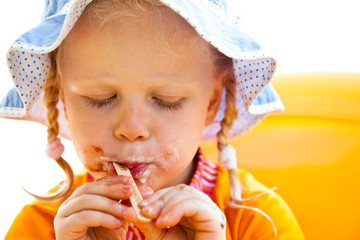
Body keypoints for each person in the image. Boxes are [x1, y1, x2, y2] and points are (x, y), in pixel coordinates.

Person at [1, 0, 305, 239]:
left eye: (166, 101)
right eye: (100, 98)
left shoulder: (257, 219)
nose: (131, 129)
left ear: (211, 102)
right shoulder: (43, 227)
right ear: (62, 99)